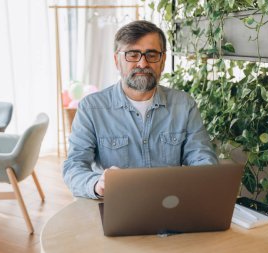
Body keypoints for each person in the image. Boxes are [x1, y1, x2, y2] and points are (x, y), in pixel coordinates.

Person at [62, 20, 218, 199]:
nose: (143, 63)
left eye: (151, 55)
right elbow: (73, 166)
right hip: (115, 206)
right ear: (117, 61)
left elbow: (203, 160)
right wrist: (97, 184)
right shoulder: (91, 108)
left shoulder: (184, 105)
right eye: (132, 54)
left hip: (171, 204)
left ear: (163, 60)